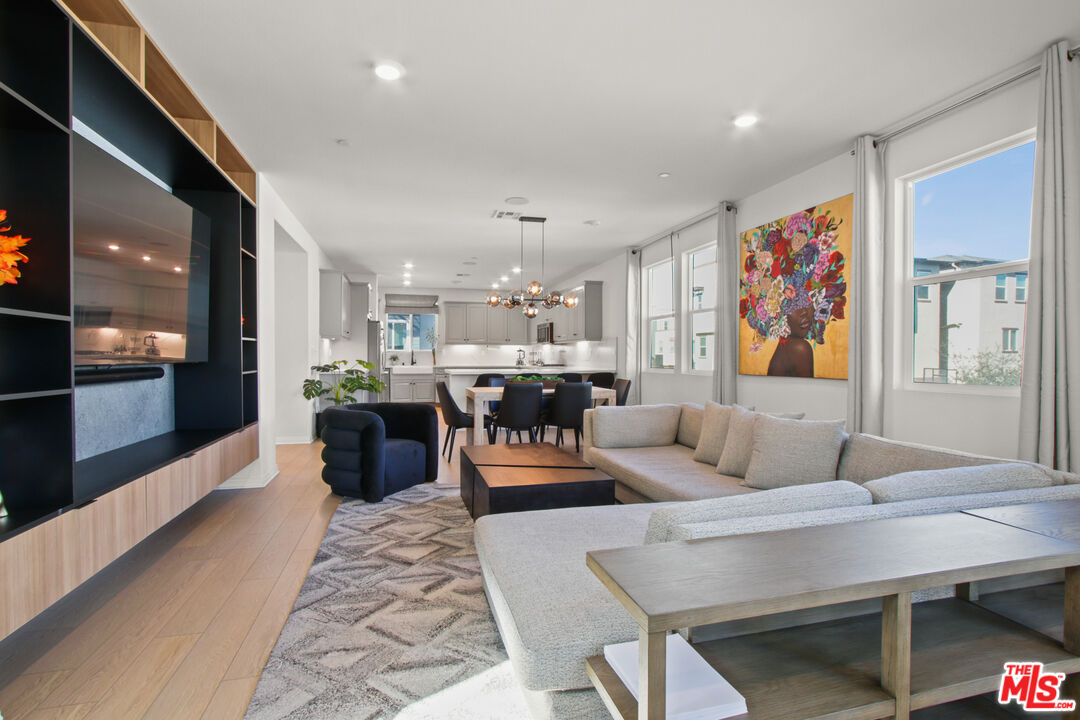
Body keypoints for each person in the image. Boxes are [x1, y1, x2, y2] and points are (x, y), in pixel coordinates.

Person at [767, 304, 815, 377]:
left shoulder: (785, 346)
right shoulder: (799, 348)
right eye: (792, 306)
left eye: (807, 302)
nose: (804, 311)